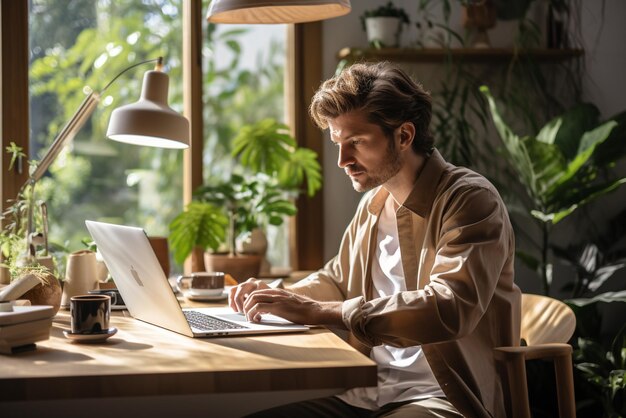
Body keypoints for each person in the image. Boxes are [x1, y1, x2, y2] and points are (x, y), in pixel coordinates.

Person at [229, 62, 521, 418]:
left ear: (404, 136)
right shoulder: (373, 204)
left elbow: (448, 308)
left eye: (356, 143)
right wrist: (277, 297)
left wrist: (318, 311)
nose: (342, 160)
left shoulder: (470, 200)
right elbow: (337, 280)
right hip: (367, 393)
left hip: (443, 398)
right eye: (338, 143)